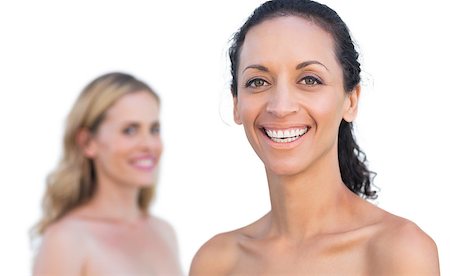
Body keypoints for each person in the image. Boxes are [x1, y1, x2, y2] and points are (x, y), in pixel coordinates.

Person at [190, 0, 440, 275]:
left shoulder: (399, 251)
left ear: (351, 100)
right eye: (258, 82)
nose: (281, 107)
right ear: (236, 103)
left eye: (310, 80)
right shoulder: (216, 262)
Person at [32, 72, 183, 275]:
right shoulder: (66, 240)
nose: (149, 144)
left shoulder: (164, 232)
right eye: (130, 130)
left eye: (154, 129)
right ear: (87, 142)